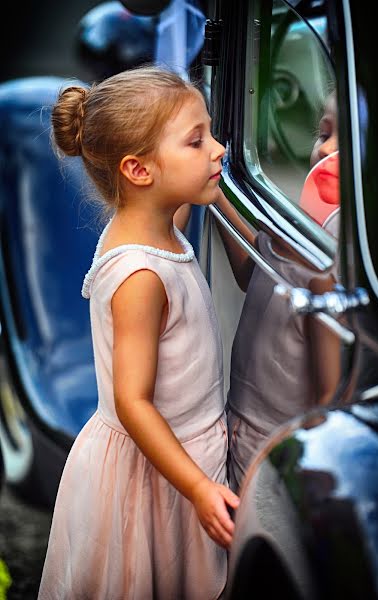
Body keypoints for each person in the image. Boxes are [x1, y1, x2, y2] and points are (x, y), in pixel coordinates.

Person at [38, 66, 240, 600]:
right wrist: (197, 487)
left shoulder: (156, 218)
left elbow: (240, 249)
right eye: (197, 141)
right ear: (139, 170)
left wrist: (212, 186)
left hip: (174, 458)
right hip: (151, 476)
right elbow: (132, 401)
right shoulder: (141, 277)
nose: (218, 149)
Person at [213, 90, 341, 493]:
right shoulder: (297, 220)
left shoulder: (335, 250)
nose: (327, 150)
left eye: (349, 144)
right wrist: (215, 194)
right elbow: (256, 276)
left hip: (278, 451)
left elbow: (329, 395)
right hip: (240, 425)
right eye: (324, 134)